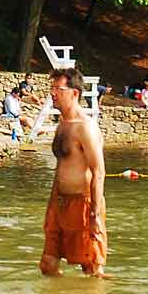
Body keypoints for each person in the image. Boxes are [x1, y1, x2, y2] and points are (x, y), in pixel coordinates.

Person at [41, 69, 107, 277]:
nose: (52, 93)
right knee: (48, 265)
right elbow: (60, 167)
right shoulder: (62, 125)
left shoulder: (86, 127)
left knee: (92, 269)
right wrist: (51, 207)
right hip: (60, 203)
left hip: (84, 204)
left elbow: (99, 173)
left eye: (58, 89)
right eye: (52, 88)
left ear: (74, 93)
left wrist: (95, 215)